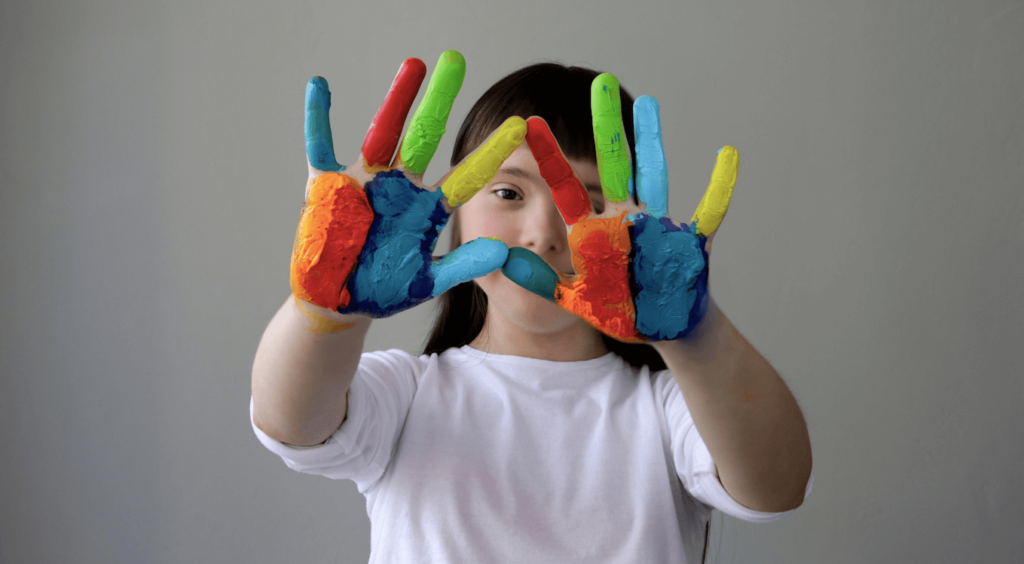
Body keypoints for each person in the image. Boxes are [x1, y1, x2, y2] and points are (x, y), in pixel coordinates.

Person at [251, 50, 813, 563]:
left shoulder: (670, 411)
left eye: (586, 206)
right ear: (452, 214)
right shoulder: (407, 396)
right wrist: (328, 317)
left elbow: (775, 488)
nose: (543, 235)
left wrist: (697, 334)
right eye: (509, 193)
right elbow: (291, 423)